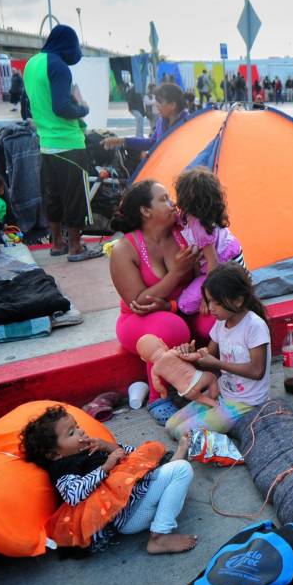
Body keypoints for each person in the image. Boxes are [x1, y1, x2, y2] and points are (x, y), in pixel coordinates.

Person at [19, 405, 198, 555]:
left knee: (151, 465)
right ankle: (160, 536)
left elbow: (132, 457)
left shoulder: (89, 448)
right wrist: (105, 468)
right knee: (181, 470)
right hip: (126, 515)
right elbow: (73, 495)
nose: (81, 431)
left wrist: (107, 447)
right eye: (72, 432)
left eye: (77, 425)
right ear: (55, 454)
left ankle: (175, 462)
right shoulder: (63, 467)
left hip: (136, 493)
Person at [109, 180, 213, 424]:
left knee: (214, 321)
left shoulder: (184, 232)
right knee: (170, 327)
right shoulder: (125, 249)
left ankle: (214, 376)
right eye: (164, 199)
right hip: (139, 321)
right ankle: (158, 397)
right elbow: (140, 301)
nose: (173, 204)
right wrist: (176, 273)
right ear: (146, 211)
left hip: (183, 308)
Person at [166, 264, 271, 440]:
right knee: (170, 426)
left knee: (181, 433)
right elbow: (208, 354)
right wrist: (191, 355)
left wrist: (216, 364)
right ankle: (222, 426)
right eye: (208, 301)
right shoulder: (222, 322)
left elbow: (256, 371)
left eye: (217, 302)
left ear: (238, 300)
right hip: (223, 393)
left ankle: (233, 430)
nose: (211, 308)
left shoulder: (254, 326)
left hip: (246, 403)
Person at [23, 24, 101, 261]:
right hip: (69, 143)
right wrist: (84, 109)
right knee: (76, 196)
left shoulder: (31, 64)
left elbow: (33, 105)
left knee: (52, 194)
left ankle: (57, 243)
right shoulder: (59, 67)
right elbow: (62, 107)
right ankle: (76, 247)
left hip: (46, 143)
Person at [173, 167, 244, 316]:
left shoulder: (200, 226)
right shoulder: (188, 215)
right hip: (226, 261)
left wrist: (207, 297)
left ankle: (223, 296)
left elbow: (213, 264)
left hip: (223, 268)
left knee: (184, 304)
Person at [105, 83, 189, 156]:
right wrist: (122, 141)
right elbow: (151, 143)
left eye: (160, 102)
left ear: (172, 105)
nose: (157, 105)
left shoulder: (188, 124)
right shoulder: (161, 121)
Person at [137, 335, 219, 409]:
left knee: (200, 398)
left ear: (144, 359)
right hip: (198, 379)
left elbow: (157, 386)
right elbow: (189, 357)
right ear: (162, 343)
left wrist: (163, 393)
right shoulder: (172, 352)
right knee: (212, 377)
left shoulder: (154, 370)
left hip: (187, 392)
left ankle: (214, 404)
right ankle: (215, 396)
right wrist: (201, 354)